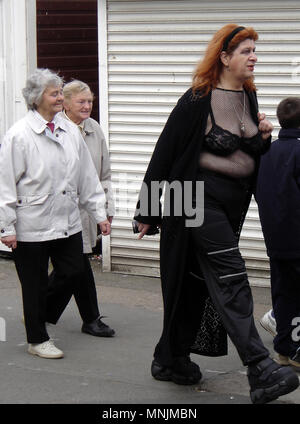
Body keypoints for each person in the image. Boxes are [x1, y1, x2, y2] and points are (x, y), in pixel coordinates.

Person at [133, 24, 299, 403]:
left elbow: (245, 153)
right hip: (190, 196)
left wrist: (263, 139)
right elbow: (166, 150)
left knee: (192, 282)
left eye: (255, 50)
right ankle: (261, 368)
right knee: (231, 276)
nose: (254, 57)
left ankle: (169, 358)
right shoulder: (198, 98)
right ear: (224, 57)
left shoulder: (249, 97)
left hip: (228, 203)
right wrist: (147, 210)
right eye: (245, 51)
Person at [0, 68, 111, 359]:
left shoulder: (69, 132)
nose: (60, 98)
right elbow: (5, 184)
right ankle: (37, 339)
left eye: (61, 93)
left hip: (67, 221)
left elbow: (87, 175)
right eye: (54, 93)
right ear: (37, 99)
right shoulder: (19, 136)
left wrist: (99, 212)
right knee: (34, 284)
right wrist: (6, 227)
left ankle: (40, 314)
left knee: (73, 270)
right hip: (31, 223)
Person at [46, 80, 115, 338]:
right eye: (81, 102)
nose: (87, 106)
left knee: (74, 265)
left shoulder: (94, 128)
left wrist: (107, 206)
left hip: (89, 208)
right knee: (76, 264)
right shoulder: (55, 130)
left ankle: (41, 309)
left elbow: (104, 171)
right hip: (62, 209)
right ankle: (91, 319)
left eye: (90, 101)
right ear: (65, 103)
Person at [256, 97, 300, 369]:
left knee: (283, 293)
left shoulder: (267, 153)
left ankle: (283, 350)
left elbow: (260, 192)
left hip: (275, 238)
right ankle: (296, 351)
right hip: (298, 237)